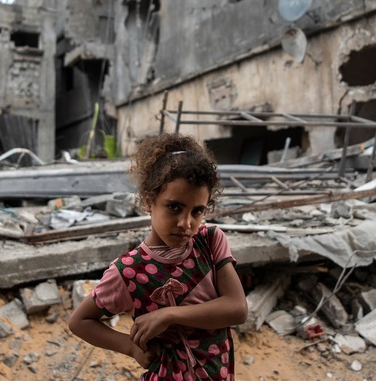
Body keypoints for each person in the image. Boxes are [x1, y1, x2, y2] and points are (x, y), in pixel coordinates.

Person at [68, 132, 248, 380]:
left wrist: (168, 315)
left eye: (197, 211)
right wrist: (130, 347)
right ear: (149, 201)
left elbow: (237, 308)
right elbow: (79, 322)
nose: (186, 223)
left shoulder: (210, 242)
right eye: (174, 207)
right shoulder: (130, 271)